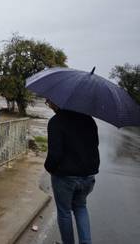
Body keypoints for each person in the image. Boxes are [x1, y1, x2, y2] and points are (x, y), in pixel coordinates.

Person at [45, 98, 100, 244]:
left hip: (65, 177)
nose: (48, 104)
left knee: (64, 213)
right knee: (81, 207)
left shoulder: (56, 122)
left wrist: (49, 168)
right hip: (88, 176)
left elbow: (54, 154)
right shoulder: (88, 119)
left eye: (49, 101)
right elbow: (95, 146)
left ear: (58, 101)